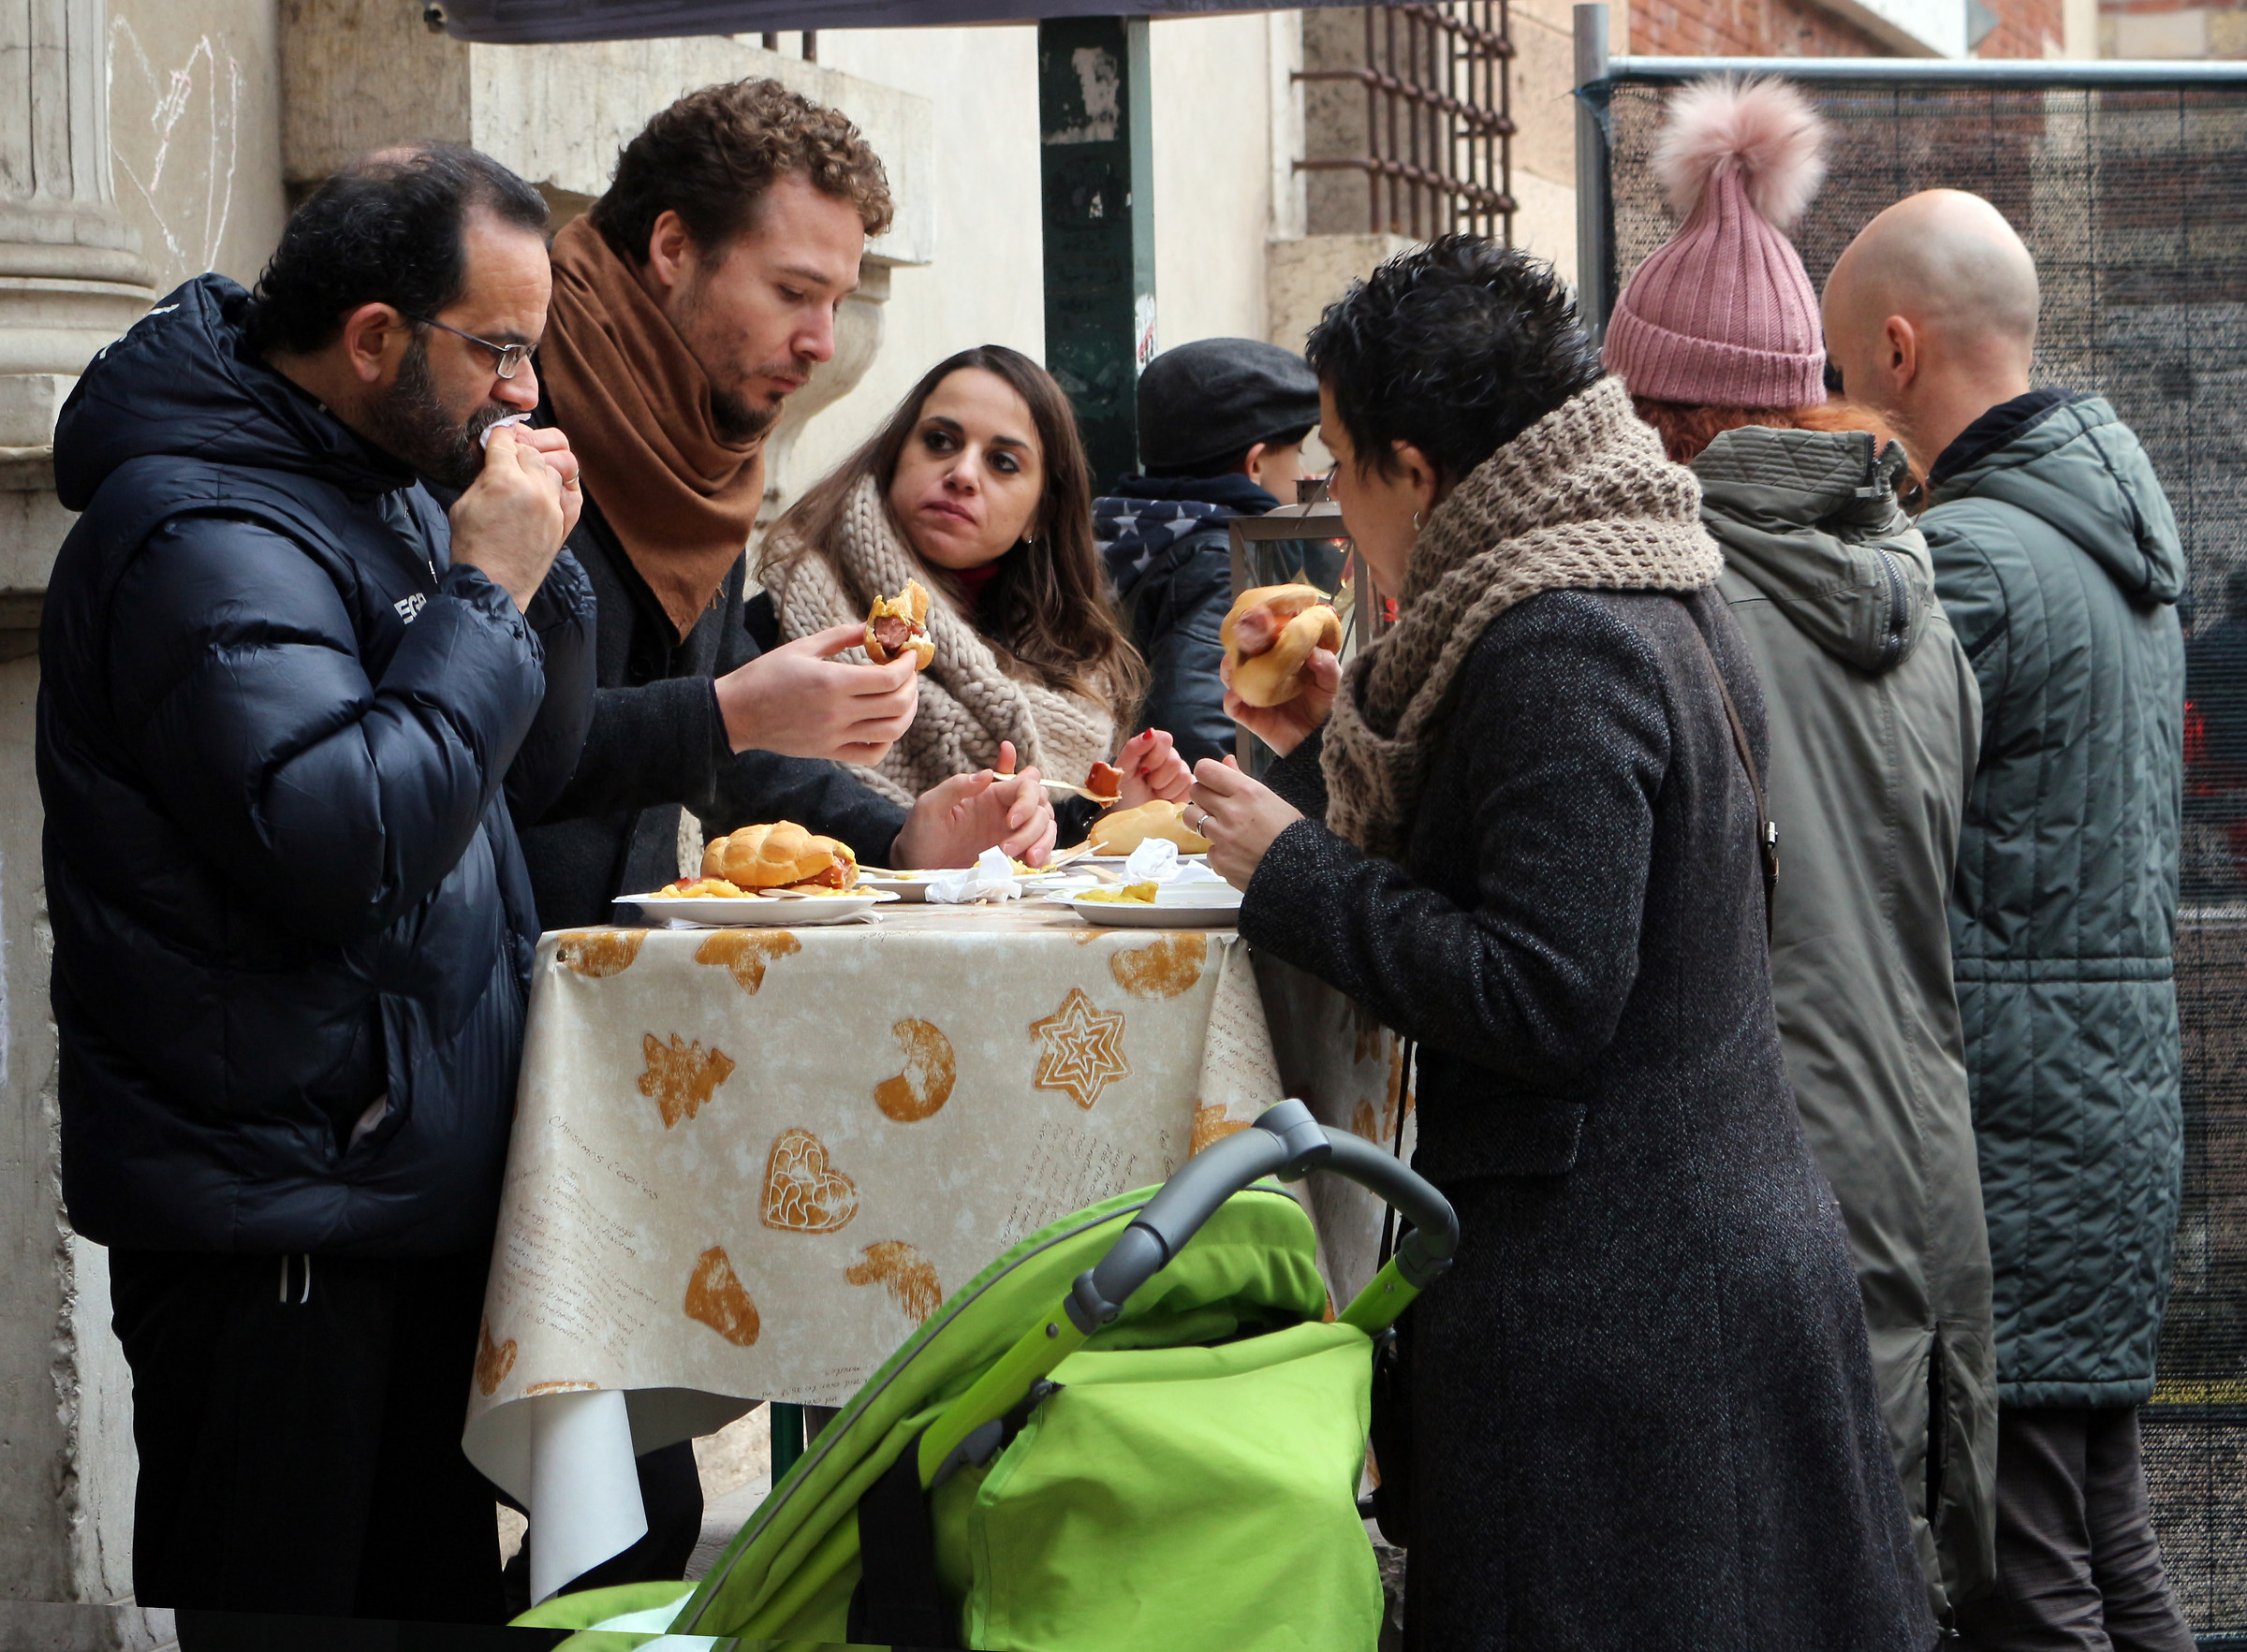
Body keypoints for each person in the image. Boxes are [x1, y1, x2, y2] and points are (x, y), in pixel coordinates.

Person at [1183, 235, 1931, 1649]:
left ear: (1417, 470)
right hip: (1685, 1278)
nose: (1330, 504)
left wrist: (1291, 870)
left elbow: (1544, 994)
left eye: (1338, 463)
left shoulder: (1558, 640)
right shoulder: (1644, 575)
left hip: (1621, 1326)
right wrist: (1333, 751)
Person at [37, 144, 591, 1620]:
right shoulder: (196, 532)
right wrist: (487, 593)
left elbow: (524, 770)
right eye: (499, 350)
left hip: (390, 1205)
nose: (524, 390)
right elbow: (347, 845)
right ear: (373, 338)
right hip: (279, 1231)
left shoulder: (374, 476)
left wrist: (535, 570)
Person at [1603, 77, 1997, 1624]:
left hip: (1766, 1189)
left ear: (1675, 416)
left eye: (1626, 409)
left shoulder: (1682, 614)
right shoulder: (1917, 589)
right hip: (1924, 1163)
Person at [1826, 189, 2193, 1652]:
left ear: (1897, 349)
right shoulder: (2112, 539)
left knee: (2025, 1577)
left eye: (1843, 372)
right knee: (2106, 1542)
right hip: (2105, 1111)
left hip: (2014, 1126)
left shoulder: (1973, 557)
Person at [523, 78, 1055, 942]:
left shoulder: (705, 440)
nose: (823, 343)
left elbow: (730, 739)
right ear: (673, 247)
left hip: (612, 986)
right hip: (474, 988)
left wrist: (901, 837)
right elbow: (485, 740)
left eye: (837, 302)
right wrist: (727, 714)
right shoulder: (505, 403)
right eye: (793, 292)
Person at [755, 344, 1191, 841]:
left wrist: (1110, 815)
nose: (962, 474)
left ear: (1040, 512)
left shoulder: (1077, 664)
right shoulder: (783, 626)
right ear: (895, 457)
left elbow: (1032, 854)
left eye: (1002, 462)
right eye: (940, 441)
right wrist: (906, 843)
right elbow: (757, 799)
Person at [1094, 337, 1322, 767]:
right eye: (1298, 454)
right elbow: (1198, 735)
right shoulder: (1221, 559)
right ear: (1256, 465)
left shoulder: (1130, 528)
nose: (1305, 474)